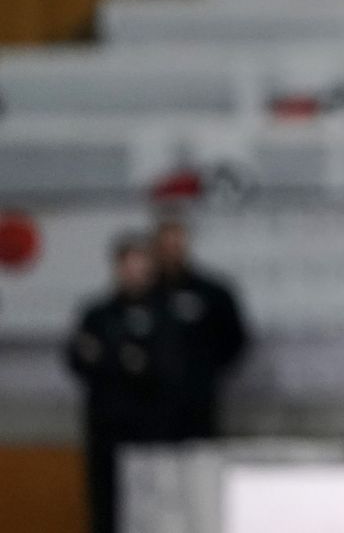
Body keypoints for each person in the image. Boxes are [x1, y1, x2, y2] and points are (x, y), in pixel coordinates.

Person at [65, 233, 181, 533]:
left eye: (140, 266)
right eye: (127, 265)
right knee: (106, 507)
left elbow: (160, 367)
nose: (133, 273)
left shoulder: (164, 314)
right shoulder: (98, 314)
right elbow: (78, 358)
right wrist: (124, 359)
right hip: (105, 428)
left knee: (151, 508)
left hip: (151, 431)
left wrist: (107, 356)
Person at [151, 214, 250, 439]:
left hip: (199, 402)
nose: (172, 251)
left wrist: (206, 372)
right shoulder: (145, 294)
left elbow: (235, 338)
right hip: (149, 407)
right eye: (166, 245)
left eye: (177, 243)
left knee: (198, 460)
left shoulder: (211, 293)